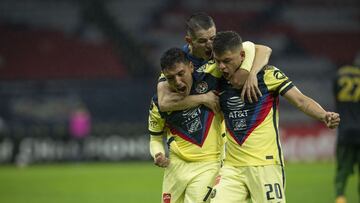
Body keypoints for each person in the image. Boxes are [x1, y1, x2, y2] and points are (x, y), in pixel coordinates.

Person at [209, 31, 341, 203]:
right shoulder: (217, 79)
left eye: (227, 61)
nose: (222, 67)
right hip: (232, 167)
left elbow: (300, 100)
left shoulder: (268, 75)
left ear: (242, 55)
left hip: (266, 165)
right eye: (217, 61)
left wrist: (324, 115)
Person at [148, 47, 224, 203]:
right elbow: (155, 138)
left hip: (208, 164)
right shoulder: (159, 103)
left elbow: (245, 49)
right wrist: (158, 154)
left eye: (181, 74)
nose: (177, 81)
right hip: (175, 168)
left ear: (191, 67)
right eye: (170, 78)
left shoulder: (210, 80)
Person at [157, 13, 272, 113]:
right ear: (189, 41)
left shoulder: (221, 49)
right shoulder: (179, 62)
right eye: (202, 41)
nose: (210, 45)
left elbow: (264, 50)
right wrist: (203, 98)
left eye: (212, 38)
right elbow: (163, 103)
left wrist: (251, 73)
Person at [333, 53, 360, 203]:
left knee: (342, 168)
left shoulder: (339, 75)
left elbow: (336, 101)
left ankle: (340, 197)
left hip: (345, 129)